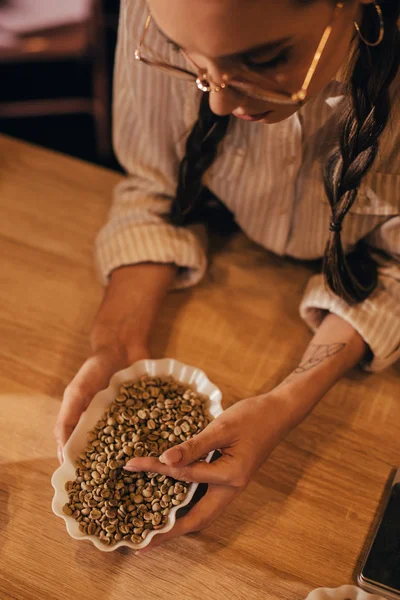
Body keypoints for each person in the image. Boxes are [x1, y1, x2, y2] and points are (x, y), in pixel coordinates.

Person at [54, 0, 400, 553]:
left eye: (262, 59)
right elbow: (155, 186)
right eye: (191, 62)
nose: (218, 100)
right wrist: (115, 340)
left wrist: (287, 403)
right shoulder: (157, 15)